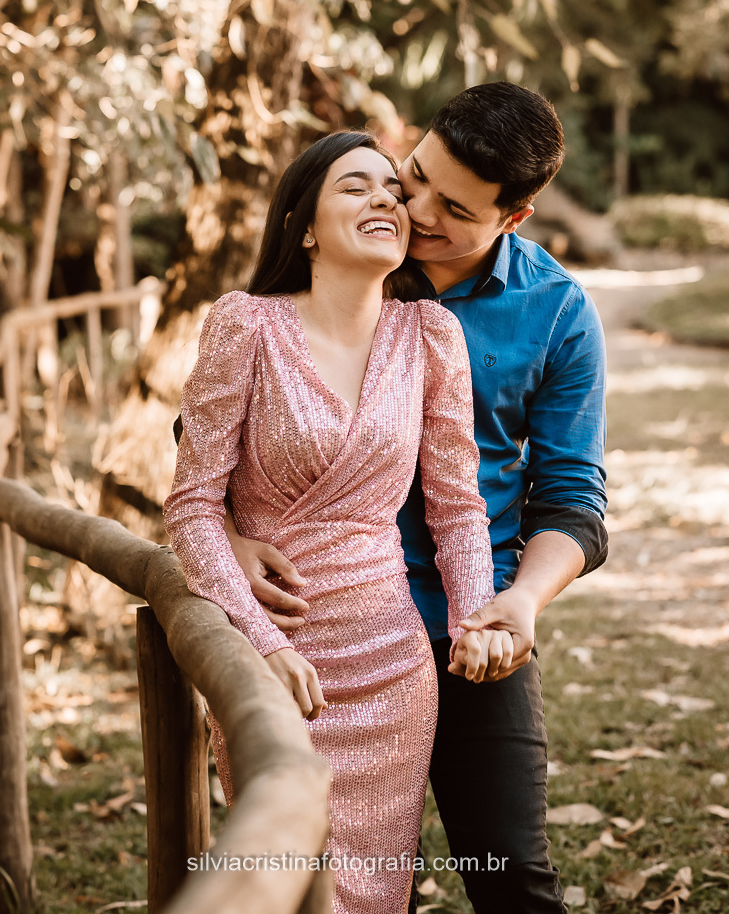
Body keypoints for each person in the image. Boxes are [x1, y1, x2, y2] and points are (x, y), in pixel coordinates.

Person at [221, 83, 608, 914]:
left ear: (515, 215)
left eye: (454, 208)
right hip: (314, 617)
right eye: (415, 174)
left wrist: (519, 604)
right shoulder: (347, 252)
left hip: (468, 621)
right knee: (292, 869)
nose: (416, 208)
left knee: (509, 874)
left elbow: (572, 497)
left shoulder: (555, 312)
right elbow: (212, 444)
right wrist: (232, 533)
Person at [163, 130, 508, 914]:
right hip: (275, 665)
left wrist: (476, 618)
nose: (385, 198)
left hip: (393, 668)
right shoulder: (245, 324)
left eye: (392, 188)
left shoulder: (429, 336)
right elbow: (190, 504)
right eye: (355, 186)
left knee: (375, 897)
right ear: (305, 225)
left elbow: (455, 509)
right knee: (278, 877)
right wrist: (263, 644)